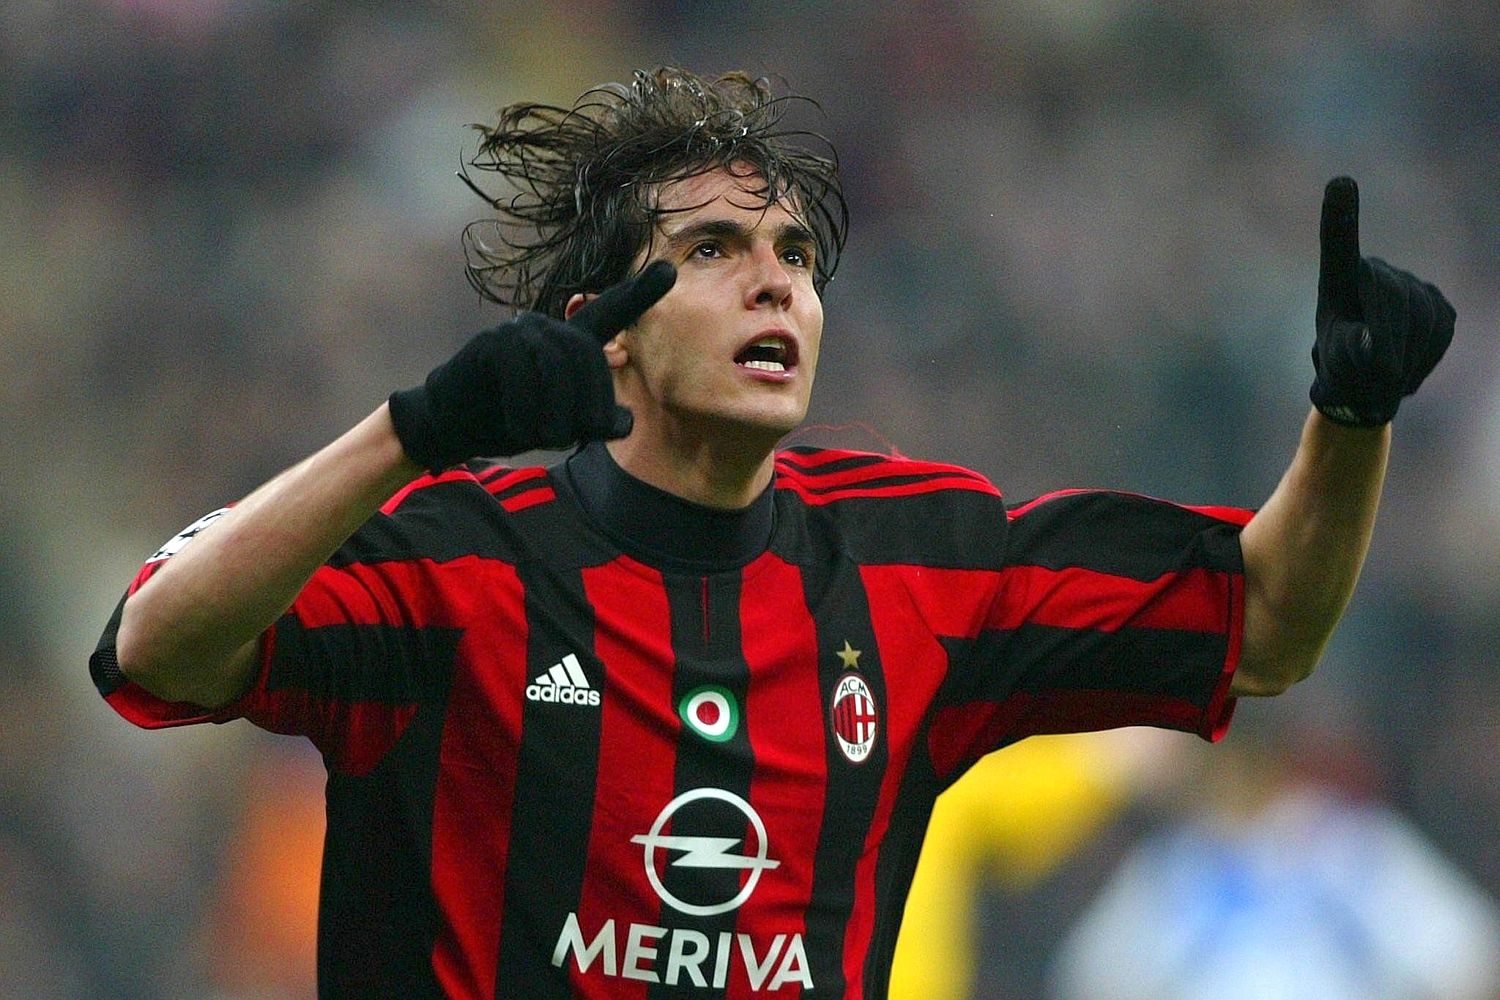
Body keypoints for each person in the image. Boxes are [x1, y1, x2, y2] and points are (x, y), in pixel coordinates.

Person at [89, 66, 1454, 999]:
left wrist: (1351, 413)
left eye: (797, 255)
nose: (778, 285)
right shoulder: (455, 558)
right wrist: (411, 431)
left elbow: (1267, 627)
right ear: (601, 334)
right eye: (717, 250)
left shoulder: (926, 560)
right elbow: (155, 645)